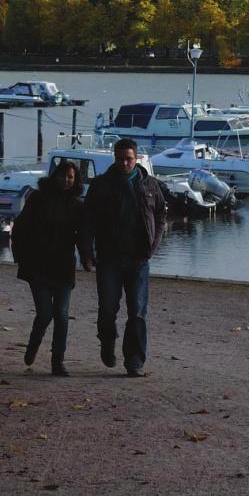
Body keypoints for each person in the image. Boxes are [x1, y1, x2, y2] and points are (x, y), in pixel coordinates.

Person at [83, 137, 167, 378]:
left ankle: (134, 362)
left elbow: (161, 215)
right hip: (109, 258)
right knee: (108, 310)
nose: (125, 163)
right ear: (115, 158)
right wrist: (87, 254)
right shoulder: (101, 185)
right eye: (121, 159)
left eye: (129, 159)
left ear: (136, 158)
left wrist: (153, 245)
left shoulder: (150, 185)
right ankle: (107, 342)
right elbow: (88, 221)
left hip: (139, 259)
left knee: (137, 312)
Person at [10, 160, 92, 377]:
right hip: (37, 264)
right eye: (63, 176)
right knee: (45, 314)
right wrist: (19, 255)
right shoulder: (38, 198)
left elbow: (83, 236)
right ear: (55, 176)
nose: (66, 180)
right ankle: (34, 345)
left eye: (71, 177)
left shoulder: (77, 205)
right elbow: (21, 227)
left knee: (62, 315)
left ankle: (58, 361)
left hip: (63, 266)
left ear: (75, 180)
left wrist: (87, 258)